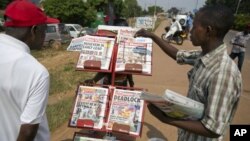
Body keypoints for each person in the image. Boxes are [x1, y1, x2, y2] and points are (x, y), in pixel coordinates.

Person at [135, 5, 242, 141]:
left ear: (208, 31)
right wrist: (152, 36)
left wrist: (167, 119)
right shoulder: (203, 56)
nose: (190, 30)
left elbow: (213, 129)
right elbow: (178, 54)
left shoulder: (223, 73)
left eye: (195, 26)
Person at [0, 0, 58, 141]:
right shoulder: (36, 72)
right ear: (34, 30)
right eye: (44, 28)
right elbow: (27, 132)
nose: (44, 35)